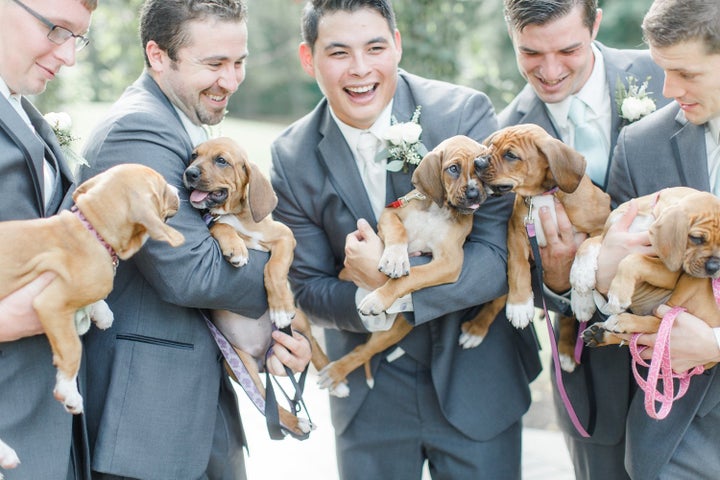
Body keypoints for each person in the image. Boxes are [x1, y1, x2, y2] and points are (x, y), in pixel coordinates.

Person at [270, 1, 541, 478]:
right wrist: (371, 300)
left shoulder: (464, 113)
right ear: (309, 59)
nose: (360, 69)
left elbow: (498, 254)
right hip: (369, 392)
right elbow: (307, 289)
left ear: (396, 45)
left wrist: (393, 285)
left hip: (475, 379)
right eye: (338, 52)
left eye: (375, 47)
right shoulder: (291, 155)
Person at [77, 1, 311, 478]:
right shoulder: (138, 130)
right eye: (213, 64)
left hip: (195, 401)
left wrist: (278, 335)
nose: (230, 80)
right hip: (148, 421)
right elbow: (194, 272)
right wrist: (283, 289)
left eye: (239, 62)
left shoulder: (182, 129)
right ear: (159, 56)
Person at [499, 0, 671, 478]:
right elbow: (505, 257)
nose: (550, 72)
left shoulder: (667, 75)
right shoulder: (503, 134)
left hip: (691, 349)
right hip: (592, 367)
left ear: (595, 23)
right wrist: (553, 281)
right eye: (530, 53)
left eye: (568, 49)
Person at [594, 0, 720, 477]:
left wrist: (716, 341)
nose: (669, 90)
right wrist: (603, 270)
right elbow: (612, 286)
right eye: (662, 70)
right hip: (675, 439)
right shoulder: (641, 144)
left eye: (685, 73)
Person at [0, 0, 97, 478]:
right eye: (57, 30)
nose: (69, 56)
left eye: (77, 37)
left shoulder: (25, 111)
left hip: (52, 427)